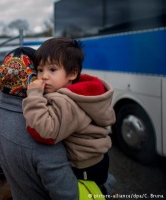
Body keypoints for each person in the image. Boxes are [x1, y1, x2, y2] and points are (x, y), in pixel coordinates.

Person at [22, 37, 115, 192]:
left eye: (52, 70)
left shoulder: (67, 102)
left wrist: (34, 94)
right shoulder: (80, 93)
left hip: (84, 167)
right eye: (40, 70)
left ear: (72, 74)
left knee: (89, 193)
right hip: (97, 160)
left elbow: (44, 132)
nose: (44, 76)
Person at [0, 47, 78, 200]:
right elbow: (68, 194)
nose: (45, 76)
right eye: (40, 70)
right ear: (32, 78)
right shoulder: (37, 128)